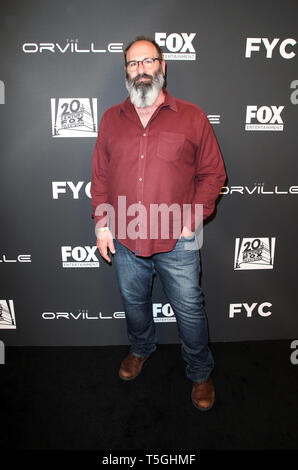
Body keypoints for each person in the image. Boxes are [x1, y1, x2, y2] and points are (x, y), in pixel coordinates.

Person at [91, 36, 226, 411]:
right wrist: (103, 225)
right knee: (134, 304)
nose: (142, 70)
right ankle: (141, 349)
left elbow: (214, 175)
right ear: (126, 72)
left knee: (189, 310)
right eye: (134, 64)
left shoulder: (193, 116)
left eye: (148, 61)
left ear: (163, 66)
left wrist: (191, 219)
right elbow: (100, 177)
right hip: (126, 237)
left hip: (178, 241)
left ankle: (200, 372)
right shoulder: (110, 119)